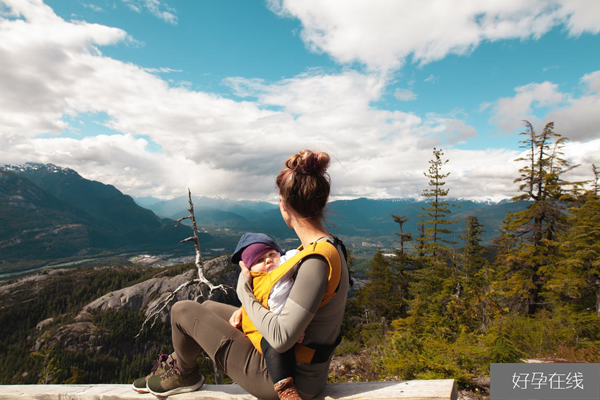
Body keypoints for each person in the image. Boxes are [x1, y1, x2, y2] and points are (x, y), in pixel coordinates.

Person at [134, 149, 350, 400]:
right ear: (321, 201)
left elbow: (280, 339)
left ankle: (185, 373)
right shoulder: (327, 246)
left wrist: (244, 292)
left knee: (182, 310)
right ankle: (174, 365)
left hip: (288, 378)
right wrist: (248, 310)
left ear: (284, 205)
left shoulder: (315, 260)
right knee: (208, 308)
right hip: (298, 364)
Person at [228, 232, 302, 399]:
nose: (268, 260)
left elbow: (296, 256)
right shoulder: (258, 280)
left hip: (284, 323)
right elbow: (257, 298)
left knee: (281, 344)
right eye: (259, 260)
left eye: (271, 254)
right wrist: (242, 309)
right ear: (250, 269)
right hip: (261, 328)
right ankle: (285, 389)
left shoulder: (284, 268)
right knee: (274, 346)